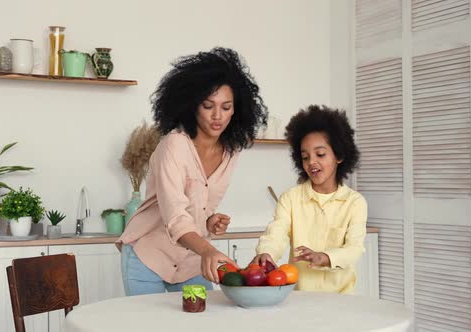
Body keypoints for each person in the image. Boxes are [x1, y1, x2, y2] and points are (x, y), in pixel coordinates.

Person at [117, 47, 268, 295]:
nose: (218, 116)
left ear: (237, 109)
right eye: (208, 106)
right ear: (192, 105)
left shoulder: (231, 152)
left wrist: (208, 221)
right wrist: (207, 249)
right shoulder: (174, 146)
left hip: (191, 262)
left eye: (226, 107)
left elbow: (199, 204)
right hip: (148, 257)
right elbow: (175, 215)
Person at [251, 105, 367, 293]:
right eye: (305, 157)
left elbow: (354, 250)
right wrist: (266, 253)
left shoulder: (355, 202)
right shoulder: (290, 198)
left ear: (338, 155)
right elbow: (277, 233)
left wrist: (326, 257)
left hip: (342, 299)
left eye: (320, 154)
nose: (311, 162)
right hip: (299, 299)